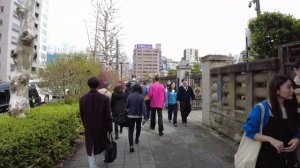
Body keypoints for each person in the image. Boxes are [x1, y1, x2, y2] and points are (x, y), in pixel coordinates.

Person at [243, 74, 300, 168]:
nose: (292, 91)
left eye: (292, 87)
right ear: (277, 90)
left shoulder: (292, 108)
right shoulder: (261, 109)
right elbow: (249, 131)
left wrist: (297, 138)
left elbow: (296, 129)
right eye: (288, 87)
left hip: (289, 160)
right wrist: (271, 139)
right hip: (266, 161)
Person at [79, 77, 113, 168]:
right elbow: (107, 115)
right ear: (98, 85)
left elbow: (82, 114)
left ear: (88, 85)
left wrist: (85, 124)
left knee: (90, 146)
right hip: (101, 126)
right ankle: (106, 159)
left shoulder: (83, 99)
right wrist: (110, 128)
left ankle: (92, 165)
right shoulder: (104, 99)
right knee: (104, 143)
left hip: (89, 126)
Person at [126, 84, 147, 153]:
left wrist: (128, 109)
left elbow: (127, 105)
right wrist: (145, 117)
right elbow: (144, 107)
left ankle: (131, 146)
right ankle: (137, 139)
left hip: (130, 115)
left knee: (130, 130)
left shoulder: (130, 95)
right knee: (138, 128)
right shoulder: (141, 96)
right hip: (139, 115)